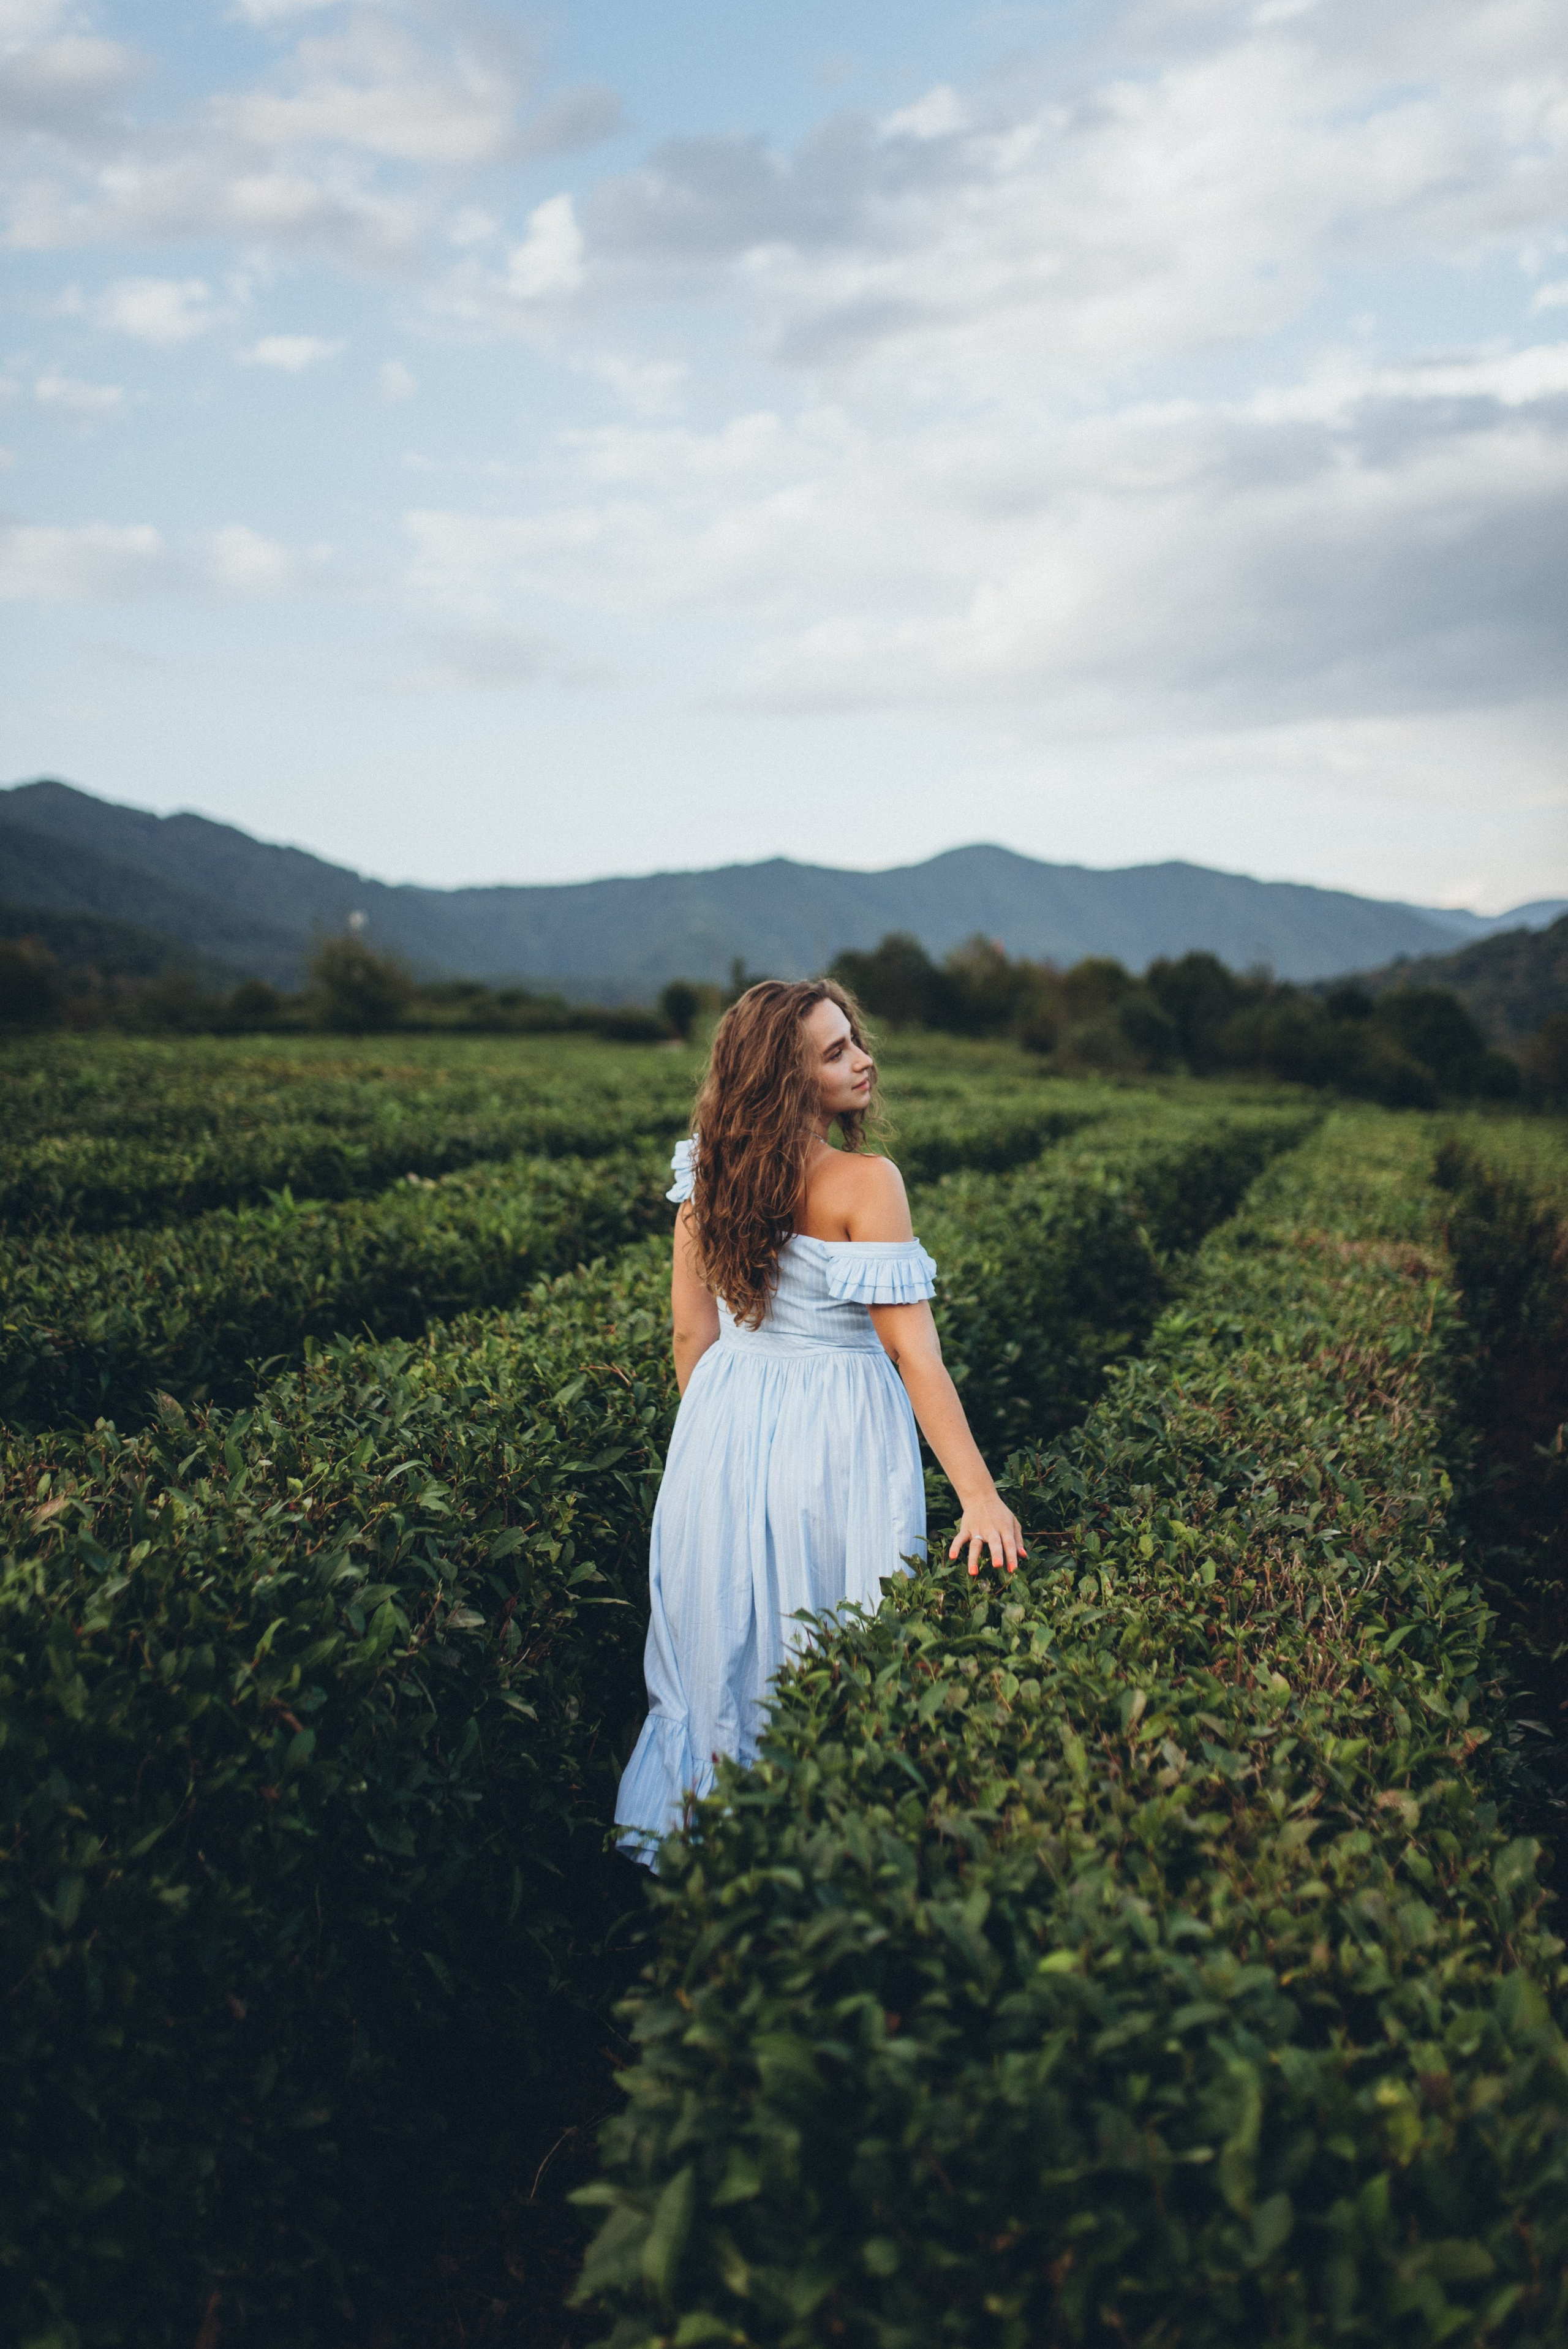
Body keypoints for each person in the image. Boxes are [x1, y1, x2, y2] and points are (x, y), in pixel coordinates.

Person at [614, 978, 1026, 1864]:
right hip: (834, 1440)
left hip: (720, 1428)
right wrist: (980, 1499)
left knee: (722, 1642)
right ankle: (819, 1859)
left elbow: (693, 1332)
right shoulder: (866, 1182)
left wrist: (720, 1451)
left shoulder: (705, 1172)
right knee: (834, 1633)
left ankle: (698, 1852)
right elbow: (918, 1356)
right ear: (784, 1078)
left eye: (855, 1040)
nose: (863, 1058)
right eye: (835, 1051)